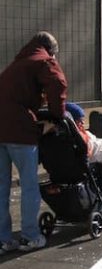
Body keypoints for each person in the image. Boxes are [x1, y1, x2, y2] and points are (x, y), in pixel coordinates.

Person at [0, 31, 67, 254]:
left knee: (1, 188)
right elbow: (58, 83)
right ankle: (29, 236)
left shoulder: (16, 65)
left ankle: (3, 239)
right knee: (29, 186)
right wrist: (57, 117)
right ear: (51, 50)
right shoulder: (44, 61)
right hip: (20, 132)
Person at [65, 102, 102, 172]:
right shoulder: (76, 135)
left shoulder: (58, 134)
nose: (82, 123)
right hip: (86, 157)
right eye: (79, 120)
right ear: (73, 122)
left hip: (73, 162)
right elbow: (88, 148)